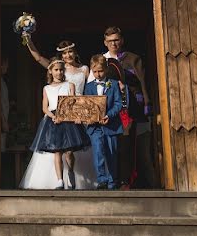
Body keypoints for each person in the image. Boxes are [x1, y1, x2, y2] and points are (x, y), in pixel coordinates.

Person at [96, 26, 157, 188]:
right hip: (111, 110)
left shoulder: (133, 59)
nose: (113, 44)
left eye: (116, 40)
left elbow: (143, 82)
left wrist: (147, 103)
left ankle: (141, 183)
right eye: (110, 41)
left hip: (133, 108)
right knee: (114, 147)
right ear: (105, 42)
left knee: (136, 148)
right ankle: (114, 181)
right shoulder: (101, 61)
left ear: (121, 40)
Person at [19, 60, 90, 190]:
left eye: (61, 70)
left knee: (69, 151)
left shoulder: (70, 85)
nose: (59, 72)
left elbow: (72, 103)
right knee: (57, 151)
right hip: (53, 121)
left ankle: (70, 171)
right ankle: (59, 180)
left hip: (68, 120)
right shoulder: (46, 88)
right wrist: (53, 117)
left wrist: (72, 116)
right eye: (56, 70)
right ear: (50, 71)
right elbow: (45, 107)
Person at [83, 55, 124, 189]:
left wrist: (109, 115)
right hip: (95, 127)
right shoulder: (88, 87)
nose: (98, 74)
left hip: (110, 125)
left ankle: (113, 182)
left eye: (100, 71)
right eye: (94, 72)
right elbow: (87, 105)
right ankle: (102, 180)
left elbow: (118, 104)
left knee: (111, 153)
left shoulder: (113, 84)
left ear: (106, 70)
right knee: (98, 152)